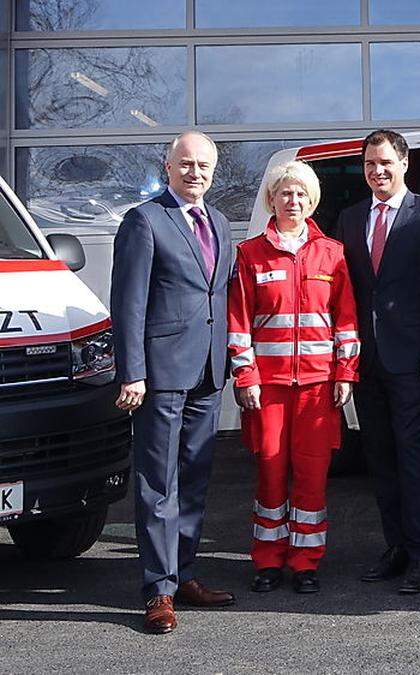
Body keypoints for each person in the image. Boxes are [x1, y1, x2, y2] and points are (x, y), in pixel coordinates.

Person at [110, 131, 236, 634]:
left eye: (204, 165)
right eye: (186, 163)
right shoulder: (144, 220)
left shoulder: (222, 223)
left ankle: (185, 574)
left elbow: (217, 296)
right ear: (168, 166)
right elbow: (128, 302)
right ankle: (158, 590)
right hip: (160, 374)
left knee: (196, 477)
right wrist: (132, 371)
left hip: (207, 370)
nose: (196, 172)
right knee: (158, 483)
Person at [227, 160, 359, 595]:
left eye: (302, 194)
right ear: (272, 198)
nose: (294, 201)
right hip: (269, 388)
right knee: (269, 470)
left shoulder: (333, 253)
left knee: (312, 474)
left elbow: (346, 322)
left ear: (312, 201)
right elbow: (238, 323)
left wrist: (345, 373)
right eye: (286, 193)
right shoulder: (250, 254)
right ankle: (267, 560)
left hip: (319, 389)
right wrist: (245, 376)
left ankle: (305, 561)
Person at [336, 129, 420, 595]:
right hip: (365, 359)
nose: (377, 171)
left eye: (385, 162)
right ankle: (396, 547)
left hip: (411, 359)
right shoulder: (349, 218)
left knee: (413, 455)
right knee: (379, 457)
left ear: (404, 163)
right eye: (369, 164)